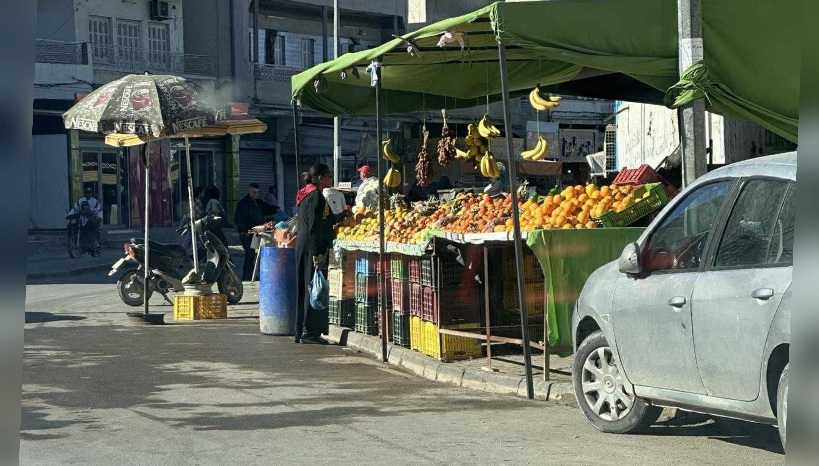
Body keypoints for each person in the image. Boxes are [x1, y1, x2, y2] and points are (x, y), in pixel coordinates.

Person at [295, 163, 340, 344]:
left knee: (308, 286)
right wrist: (316, 255)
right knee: (313, 287)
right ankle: (309, 332)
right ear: (320, 178)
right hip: (311, 248)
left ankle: (303, 330)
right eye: (329, 176)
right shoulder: (315, 197)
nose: (331, 179)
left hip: (304, 246)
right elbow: (314, 227)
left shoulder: (307, 194)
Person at [234, 182, 279, 281]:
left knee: (255, 255)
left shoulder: (259, 202)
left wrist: (277, 209)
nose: (256, 194)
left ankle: (253, 276)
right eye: (254, 192)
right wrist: (244, 230)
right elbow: (238, 219)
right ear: (249, 191)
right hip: (247, 233)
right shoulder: (243, 203)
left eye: (258, 192)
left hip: (257, 232)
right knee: (249, 254)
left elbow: (267, 209)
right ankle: (246, 276)